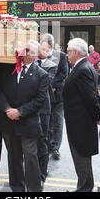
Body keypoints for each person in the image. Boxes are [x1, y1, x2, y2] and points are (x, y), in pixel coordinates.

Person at [0, 41, 50, 192]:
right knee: (14, 157)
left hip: (28, 122)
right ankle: (17, 188)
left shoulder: (42, 75)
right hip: (8, 121)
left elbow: (40, 100)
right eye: (24, 50)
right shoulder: (8, 69)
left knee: (31, 156)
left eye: (29, 51)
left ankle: (34, 189)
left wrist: (20, 112)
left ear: (35, 55)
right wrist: (7, 109)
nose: (25, 53)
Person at [63, 38, 100, 192]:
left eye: (68, 51)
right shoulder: (84, 66)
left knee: (81, 157)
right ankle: (84, 186)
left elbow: (91, 97)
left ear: (76, 52)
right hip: (79, 121)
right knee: (81, 157)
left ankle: (84, 188)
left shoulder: (83, 69)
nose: (66, 54)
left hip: (81, 123)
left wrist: (97, 116)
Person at [40, 34, 69, 160]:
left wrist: (52, 85)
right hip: (43, 95)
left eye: (46, 47)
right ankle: (45, 145)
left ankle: (55, 147)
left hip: (57, 94)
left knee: (57, 121)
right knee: (46, 120)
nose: (43, 50)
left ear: (51, 46)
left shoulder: (60, 56)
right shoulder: (40, 55)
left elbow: (64, 72)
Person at [35, 41, 57, 184]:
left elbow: (45, 82)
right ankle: (33, 172)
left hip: (43, 108)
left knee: (42, 141)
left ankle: (42, 174)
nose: (42, 51)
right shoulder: (31, 63)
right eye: (40, 48)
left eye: (45, 49)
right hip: (30, 109)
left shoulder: (51, 65)